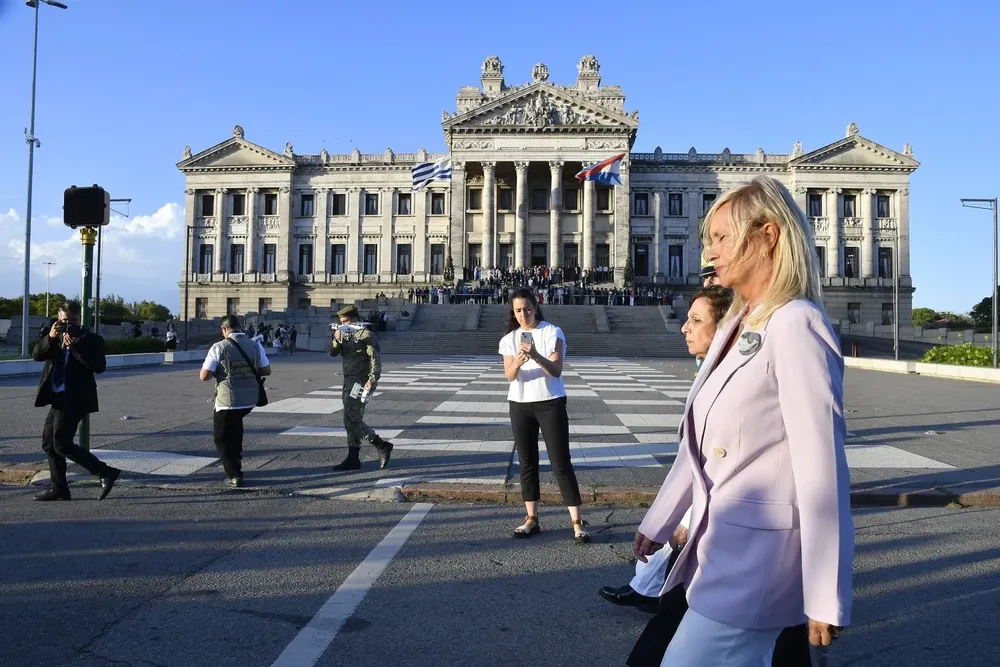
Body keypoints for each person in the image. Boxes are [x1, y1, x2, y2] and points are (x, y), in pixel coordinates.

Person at [633, 175, 853, 665]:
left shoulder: (795, 323)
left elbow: (821, 470)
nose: (708, 253)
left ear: (767, 235)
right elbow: (702, 441)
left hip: (758, 559)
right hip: (718, 547)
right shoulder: (736, 324)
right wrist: (662, 516)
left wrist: (825, 590)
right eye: (707, 240)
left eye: (721, 237)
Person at [600, 285, 733, 613]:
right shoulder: (711, 368)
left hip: (725, 508)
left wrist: (680, 518)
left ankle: (649, 592)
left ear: (724, 327)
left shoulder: (732, 376)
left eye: (696, 320)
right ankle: (647, 590)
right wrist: (660, 521)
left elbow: (712, 456)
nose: (684, 328)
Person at [499, 287, 589, 544]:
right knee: (526, 462)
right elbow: (509, 375)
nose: (523, 314)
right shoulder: (509, 339)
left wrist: (536, 355)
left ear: (536, 306)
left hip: (550, 402)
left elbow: (556, 370)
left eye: (527, 309)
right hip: (520, 403)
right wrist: (518, 360)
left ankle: (576, 522)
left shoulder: (552, 332)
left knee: (560, 462)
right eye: (518, 310)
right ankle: (531, 518)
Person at [32, 300, 121, 501]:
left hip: (76, 398)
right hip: (57, 397)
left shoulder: (91, 339)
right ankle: (60, 488)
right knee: (49, 444)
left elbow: (99, 367)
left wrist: (75, 347)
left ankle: (105, 472)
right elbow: (37, 355)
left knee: (61, 444)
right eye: (64, 320)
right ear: (58, 318)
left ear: (80, 319)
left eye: (73, 320)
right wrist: (50, 337)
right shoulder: (54, 336)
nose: (68, 324)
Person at [199, 314, 271, 487]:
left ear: (224, 329)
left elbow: (204, 376)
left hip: (228, 400)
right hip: (250, 398)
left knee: (221, 438)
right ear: (240, 327)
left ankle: (234, 474)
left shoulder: (219, 347)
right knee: (236, 429)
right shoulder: (255, 345)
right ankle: (237, 460)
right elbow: (266, 370)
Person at [329, 305, 393, 471]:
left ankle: (381, 445)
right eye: (342, 322)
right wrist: (336, 339)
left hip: (360, 381)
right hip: (348, 380)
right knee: (348, 419)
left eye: (347, 321)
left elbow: (375, 359)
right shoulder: (342, 334)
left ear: (355, 319)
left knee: (353, 418)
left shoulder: (366, 335)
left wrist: (373, 379)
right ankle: (353, 457)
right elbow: (332, 353)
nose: (344, 324)